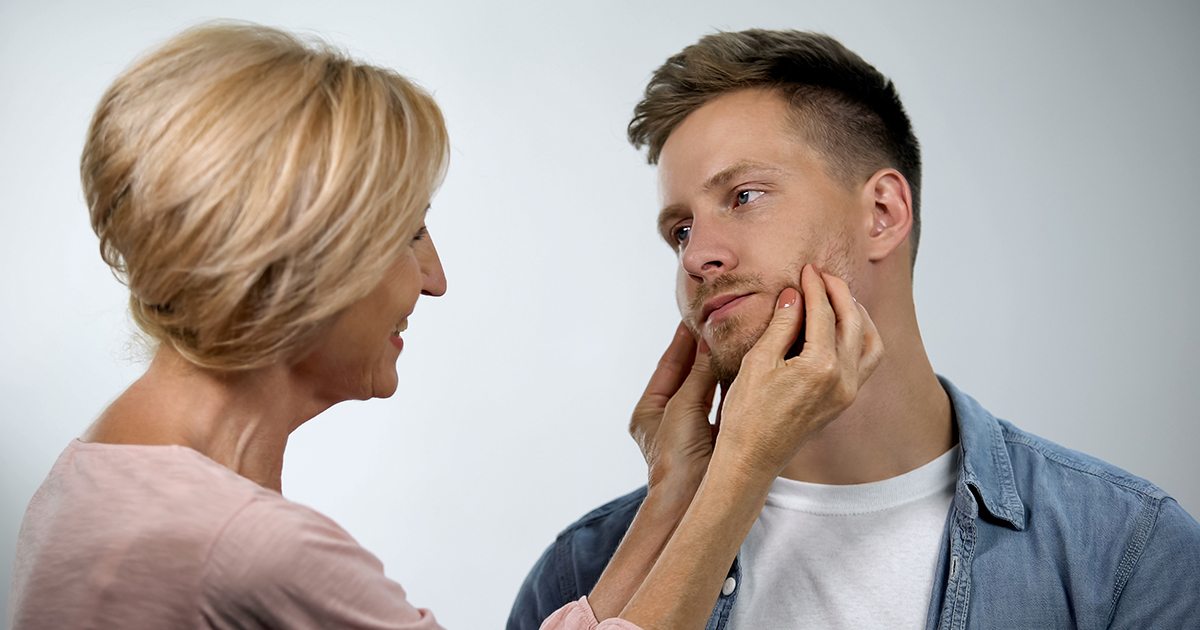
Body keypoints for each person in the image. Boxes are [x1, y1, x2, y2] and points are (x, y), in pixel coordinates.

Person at [8, 22, 885, 630]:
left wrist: (673, 490)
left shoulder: (97, 477)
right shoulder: (245, 550)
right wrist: (745, 462)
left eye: (743, 198)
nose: (434, 279)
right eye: (409, 232)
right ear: (312, 248)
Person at [509, 29, 1200, 630]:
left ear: (883, 212)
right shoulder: (584, 574)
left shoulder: (1125, 551)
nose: (696, 256)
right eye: (680, 228)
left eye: (743, 197)